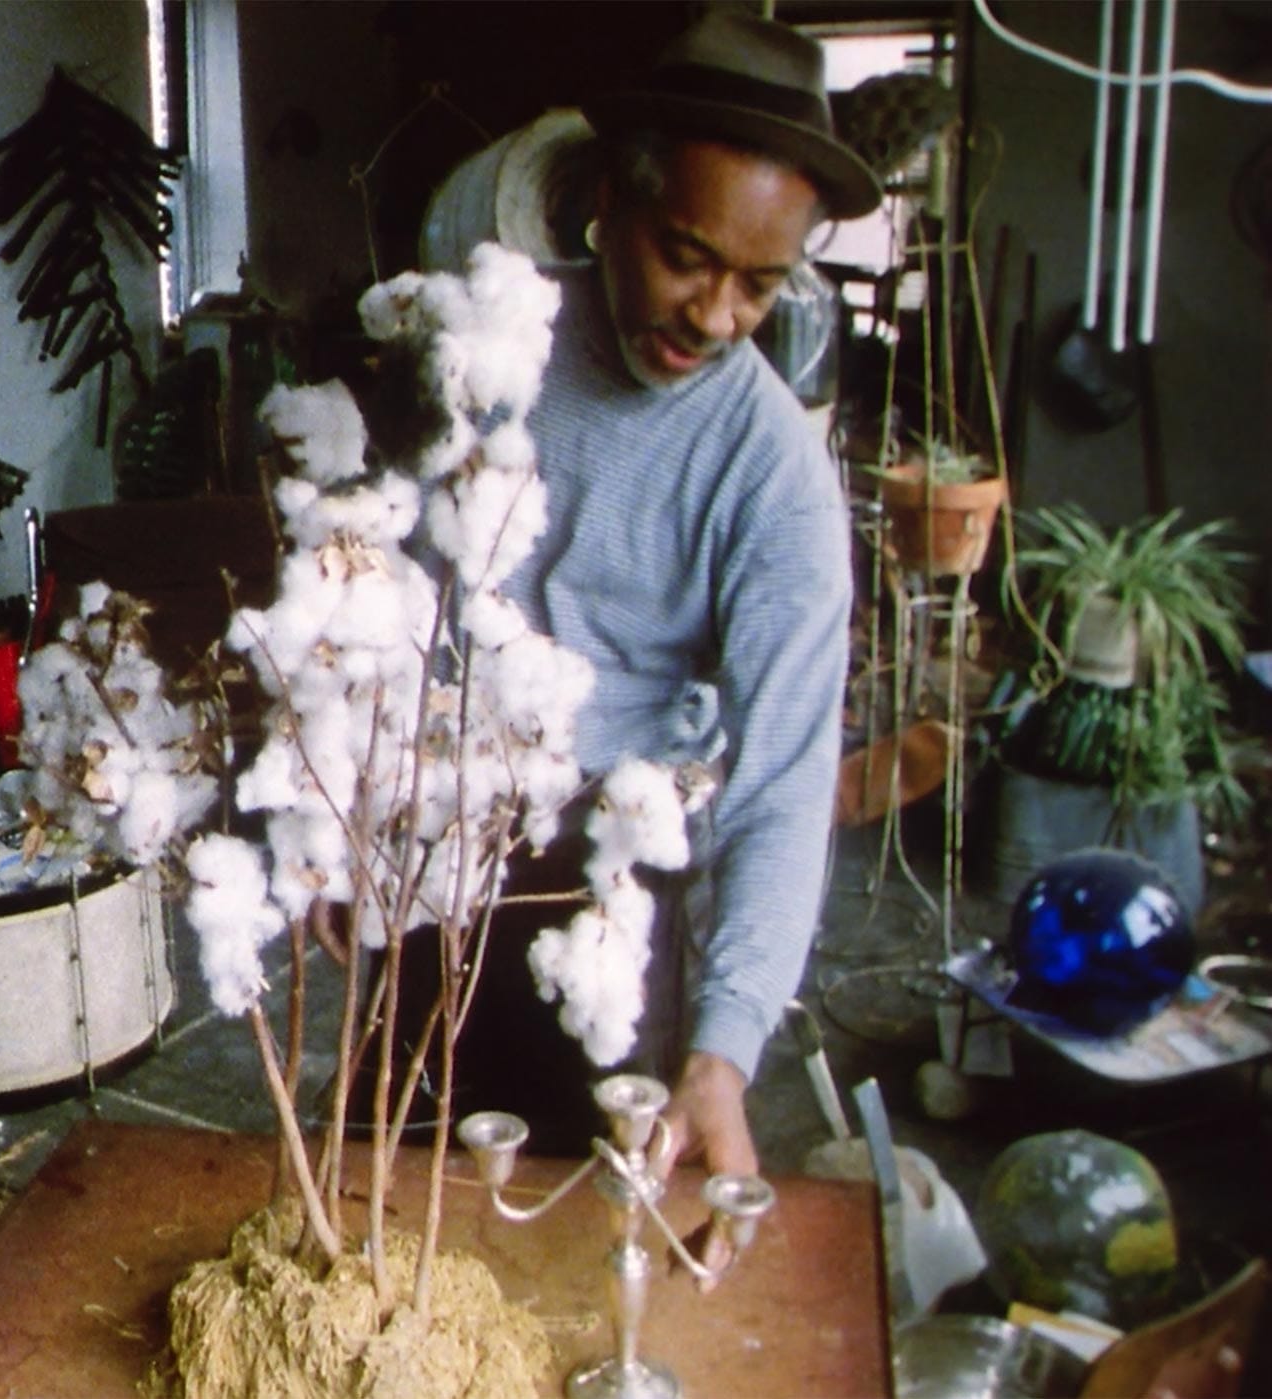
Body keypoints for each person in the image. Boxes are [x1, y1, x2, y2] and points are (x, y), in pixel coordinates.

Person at [403, 11, 883, 1271]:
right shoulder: (496, 346)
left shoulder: (773, 475)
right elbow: (397, 600)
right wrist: (363, 803)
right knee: (387, 1207)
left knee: (573, 1250)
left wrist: (722, 1050)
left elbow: (780, 787)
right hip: (438, 845)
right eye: (687, 255)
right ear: (609, 201)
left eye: (760, 284)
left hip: (612, 892)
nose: (716, 312)